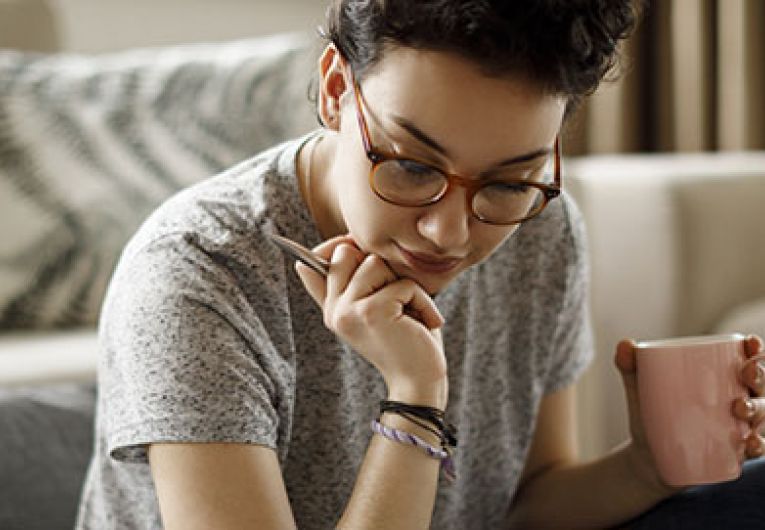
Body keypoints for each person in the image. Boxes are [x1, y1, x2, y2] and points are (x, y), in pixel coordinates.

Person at [76, 1, 765, 528]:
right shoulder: (198, 272)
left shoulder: (540, 227)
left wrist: (645, 469)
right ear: (336, 90)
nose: (448, 232)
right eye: (409, 166)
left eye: (505, 181)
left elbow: (526, 507)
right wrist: (413, 398)